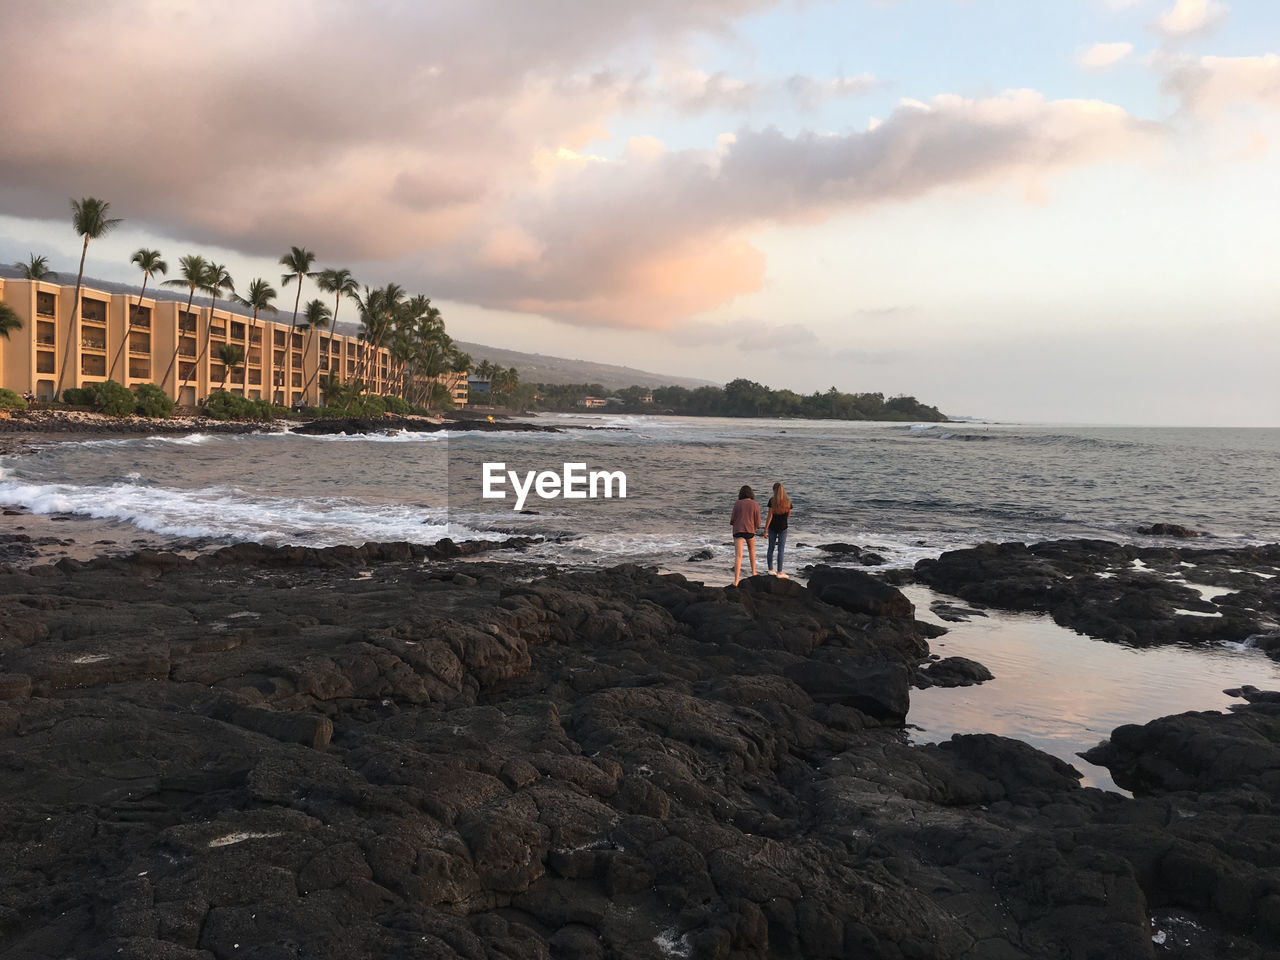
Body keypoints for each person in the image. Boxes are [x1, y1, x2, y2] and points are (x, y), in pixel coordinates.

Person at [730, 485, 761, 586]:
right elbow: (758, 522)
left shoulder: (737, 503)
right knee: (751, 550)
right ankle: (754, 572)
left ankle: (736, 580)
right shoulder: (755, 504)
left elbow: (732, 519)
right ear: (751, 493)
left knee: (738, 555)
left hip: (738, 530)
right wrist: (754, 527)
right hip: (749, 530)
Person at [763, 481, 793, 578]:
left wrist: (765, 529)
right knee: (781, 549)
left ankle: (771, 570)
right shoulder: (788, 501)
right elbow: (788, 514)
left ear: (774, 491)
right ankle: (780, 572)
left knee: (771, 548)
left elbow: (769, 516)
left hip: (772, 527)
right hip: (783, 527)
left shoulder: (772, 501)